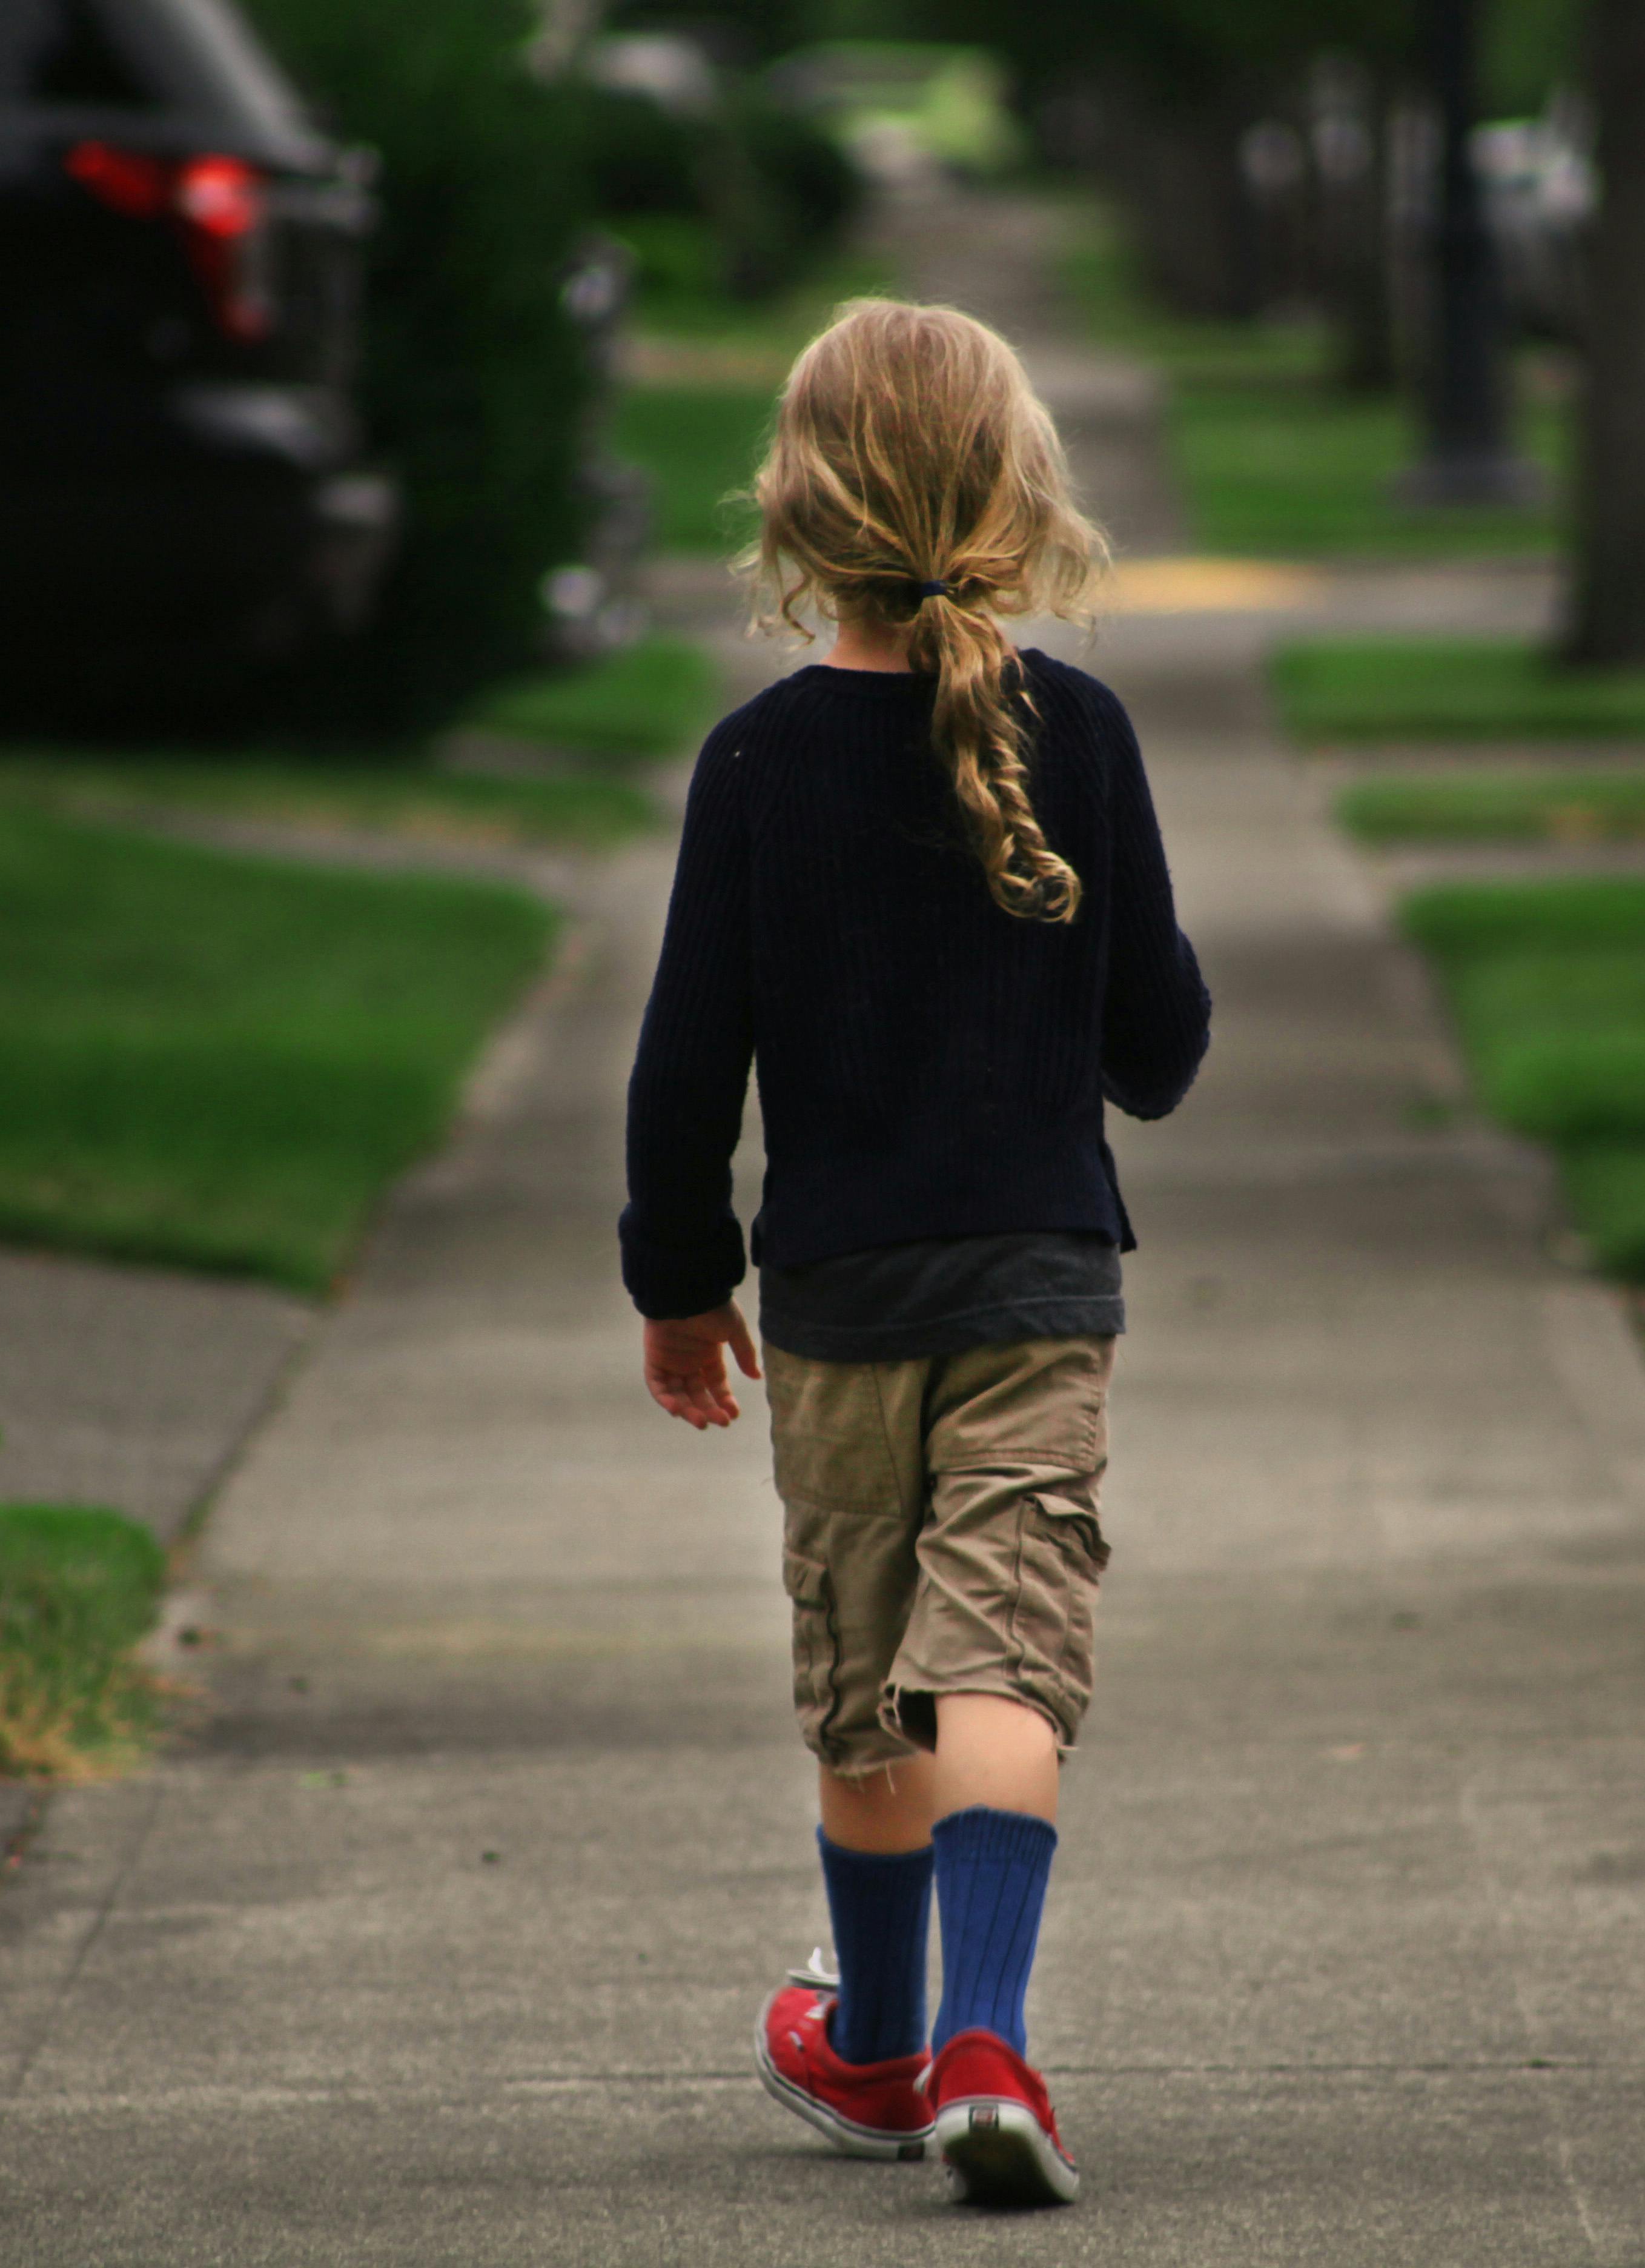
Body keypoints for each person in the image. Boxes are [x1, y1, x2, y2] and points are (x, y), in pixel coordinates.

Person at [618, 297, 1211, 2210]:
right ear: (1022, 503)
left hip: (844, 1305)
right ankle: (989, 2049)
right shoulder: (1083, 735)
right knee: (1004, 1672)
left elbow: (683, 1064)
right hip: (1040, 1286)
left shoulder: (758, 763)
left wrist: (678, 1281)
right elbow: (1163, 1046)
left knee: (868, 1686)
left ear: (795, 519)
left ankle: (876, 2053)